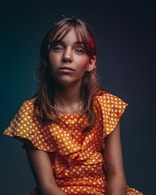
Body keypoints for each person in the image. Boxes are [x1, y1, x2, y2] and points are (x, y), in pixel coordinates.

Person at [3, 17, 143, 195]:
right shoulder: (31, 113)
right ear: (46, 58)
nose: (67, 57)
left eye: (78, 50)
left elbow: (116, 174)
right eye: (58, 48)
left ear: (91, 62)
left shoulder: (105, 105)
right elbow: (47, 185)